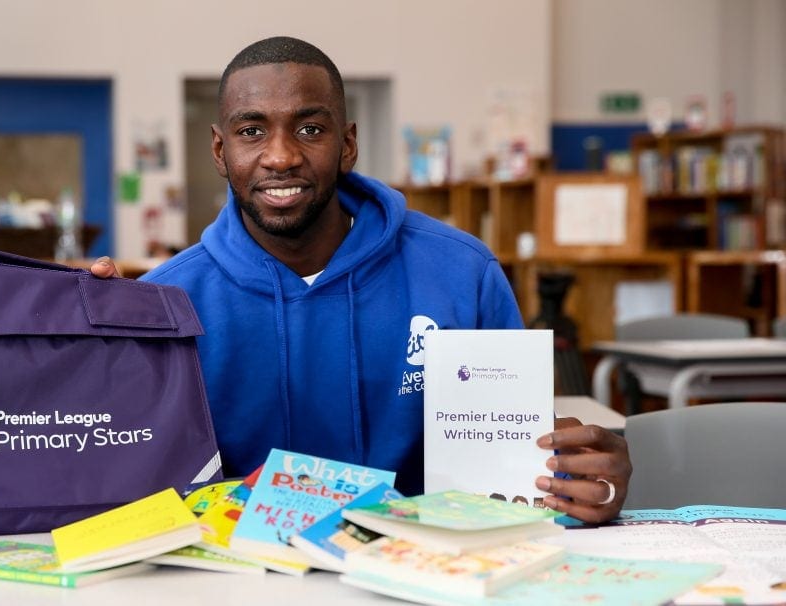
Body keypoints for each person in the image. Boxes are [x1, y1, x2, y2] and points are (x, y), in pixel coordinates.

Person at [93, 36, 630, 523]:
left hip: (425, 571)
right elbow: (125, 484)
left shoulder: (462, 274)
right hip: (242, 576)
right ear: (220, 150)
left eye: (310, 129)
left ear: (347, 144)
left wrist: (586, 487)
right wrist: (77, 354)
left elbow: (522, 469)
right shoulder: (167, 303)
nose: (281, 156)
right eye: (251, 131)